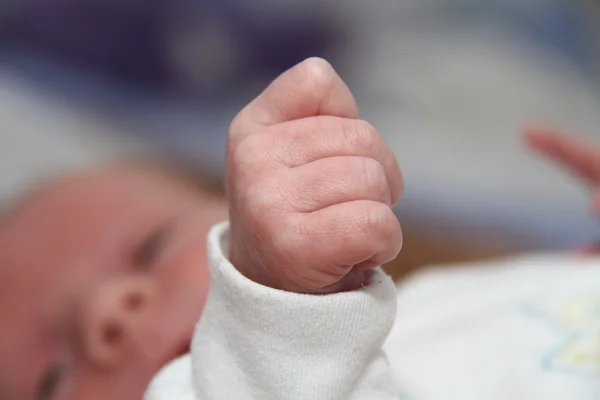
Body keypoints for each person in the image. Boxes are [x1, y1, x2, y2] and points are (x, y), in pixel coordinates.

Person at [0, 58, 597, 400]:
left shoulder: (446, 304)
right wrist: (278, 312)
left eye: (150, 248)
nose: (106, 308)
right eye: (52, 380)